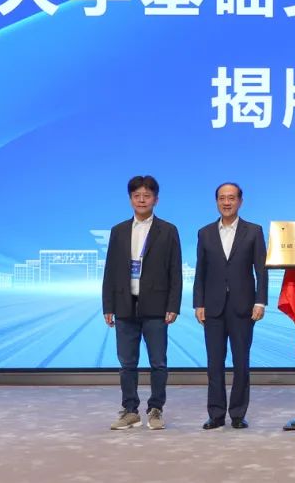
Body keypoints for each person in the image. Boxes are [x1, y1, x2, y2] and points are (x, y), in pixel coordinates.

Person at [102, 175, 182, 430]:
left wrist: (173, 306)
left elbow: (175, 272)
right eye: (137, 196)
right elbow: (110, 270)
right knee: (127, 363)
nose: (142, 200)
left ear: (156, 200)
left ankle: (156, 409)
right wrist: (108, 306)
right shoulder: (118, 231)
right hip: (125, 305)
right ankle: (130, 410)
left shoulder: (168, 230)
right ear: (130, 200)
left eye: (147, 196)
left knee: (158, 362)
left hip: (156, 307)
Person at [193, 182, 268, 429]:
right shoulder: (205, 233)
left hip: (243, 307)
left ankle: (237, 414)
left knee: (241, 362)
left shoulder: (253, 231)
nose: (227, 202)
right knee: (214, 363)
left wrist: (260, 301)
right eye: (222, 198)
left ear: (240, 202)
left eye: (232, 198)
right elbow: (201, 271)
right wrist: (198, 303)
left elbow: (261, 270)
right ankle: (215, 414)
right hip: (212, 307)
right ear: (216, 202)